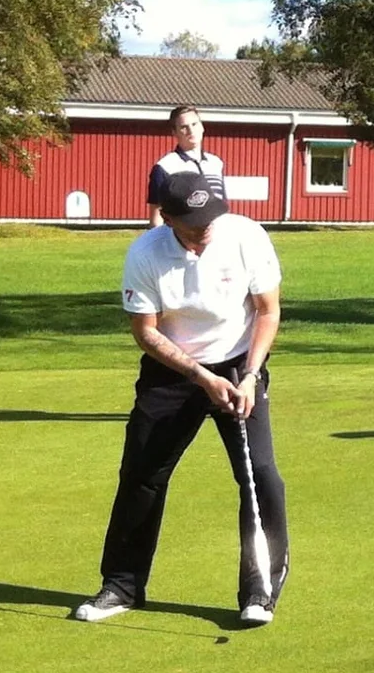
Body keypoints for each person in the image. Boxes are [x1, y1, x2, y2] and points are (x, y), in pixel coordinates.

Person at [72, 173, 289, 625]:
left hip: (238, 365)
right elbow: (146, 333)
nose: (205, 229)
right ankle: (122, 585)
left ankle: (260, 591)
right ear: (166, 218)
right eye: (193, 223)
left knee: (260, 477)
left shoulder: (246, 236)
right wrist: (200, 377)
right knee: (142, 476)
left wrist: (249, 377)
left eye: (210, 217)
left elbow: (268, 311)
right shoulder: (146, 253)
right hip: (172, 372)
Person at [146, 105, 225, 227]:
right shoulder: (165, 167)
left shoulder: (215, 163)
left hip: (216, 236)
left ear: (202, 127)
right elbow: (157, 217)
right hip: (182, 239)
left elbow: (222, 204)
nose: (191, 130)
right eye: (184, 127)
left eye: (194, 124)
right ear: (174, 132)